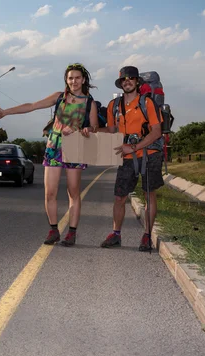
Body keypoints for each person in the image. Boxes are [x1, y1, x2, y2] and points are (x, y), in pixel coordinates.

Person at [0, 63, 98, 247]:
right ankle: (53, 230)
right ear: (66, 80)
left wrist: (81, 129)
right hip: (54, 146)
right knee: (50, 192)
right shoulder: (60, 97)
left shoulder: (89, 102)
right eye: (70, 78)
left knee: (73, 192)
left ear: (83, 79)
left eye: (77, 78)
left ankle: (72, 233)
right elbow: (32, 106)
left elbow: (94, 127)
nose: (74, 81)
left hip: (75, 147)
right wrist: (6, 112)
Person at [88, 65, 164, 251]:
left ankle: (147, 236)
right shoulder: (114, 106)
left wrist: (134, 147)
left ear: (137, 81)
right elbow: (112, 130)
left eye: (131, 78)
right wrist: (93, 131)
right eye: (124, 79)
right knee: (119, 197)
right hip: (127, 157)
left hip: (149, 154)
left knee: (148, 194)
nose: (127, 81)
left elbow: (156, 132)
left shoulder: (147, 103)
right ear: (120, 83)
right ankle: (116, 234)